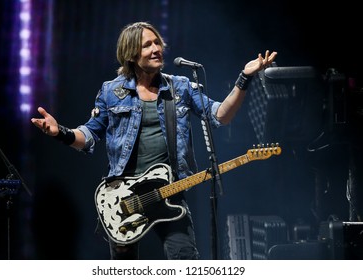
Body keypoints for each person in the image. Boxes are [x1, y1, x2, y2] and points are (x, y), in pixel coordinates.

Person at [31, 21, 277, 260]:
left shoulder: (179, 87)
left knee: (185, 261)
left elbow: (220, 116)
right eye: (147, 45)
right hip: (122, 197)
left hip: (170, 192)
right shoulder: (111, 91)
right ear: (130, 55)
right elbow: (89, 136)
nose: (156, 49)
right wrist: (60, 132)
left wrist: (244, 77)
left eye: (157, 42)